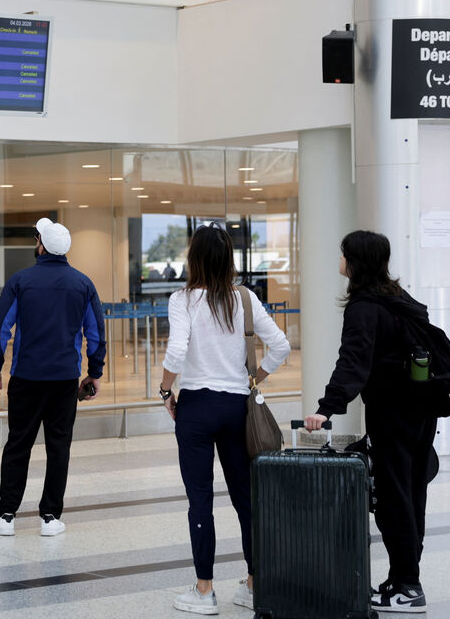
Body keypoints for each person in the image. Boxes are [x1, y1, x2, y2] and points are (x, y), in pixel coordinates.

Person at [304, 230, 438, 614]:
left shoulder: (364, 306)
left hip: (394, 414)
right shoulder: (398, 297)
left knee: (394, 499)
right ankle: (402, 579)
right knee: (412, 495)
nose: (340, 260)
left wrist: (326, 408)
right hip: (420, 411)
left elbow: (353, 362)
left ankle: (408, 587)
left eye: (343, 254)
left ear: (356, 261)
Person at [159, 225, 290, 615]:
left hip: (196, 409)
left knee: (200, 500)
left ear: (193, 257)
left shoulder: (183, 299)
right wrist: (256, 377)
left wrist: (167, 390)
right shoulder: (245, 298)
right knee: (246, 499)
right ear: (229, 258)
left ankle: (204, 591)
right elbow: (280, 345)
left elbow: (177, 351)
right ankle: (253, 583)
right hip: (238, 410)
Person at [0, 217, 105, 538]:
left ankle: (6, 515)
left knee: (18, 444)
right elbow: (95, 334)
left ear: (41, 245)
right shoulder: (83, 284)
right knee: (59, 445)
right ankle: (50, 516)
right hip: (65, 379)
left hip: (26, 377)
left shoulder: (20, 281)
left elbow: (0, 328)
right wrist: (94, 373)